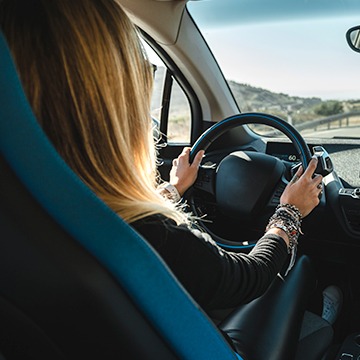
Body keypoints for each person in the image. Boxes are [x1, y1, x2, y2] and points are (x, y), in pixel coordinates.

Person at [0, 0, 342, 357]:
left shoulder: (31, 217)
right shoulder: (149, 234)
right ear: (113, 104)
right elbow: (248, 276)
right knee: (296, 270)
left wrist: (174, 189)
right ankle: (322, 316)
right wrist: (288, 212)